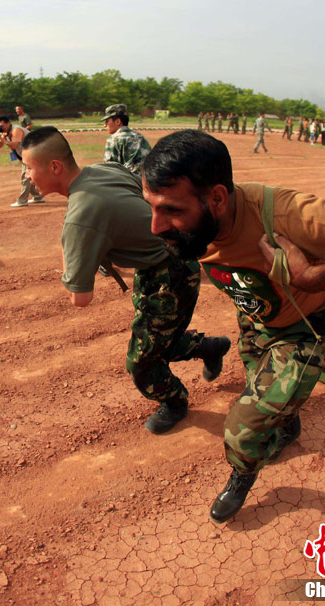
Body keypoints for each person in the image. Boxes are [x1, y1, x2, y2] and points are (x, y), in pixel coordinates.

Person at [141, 130, 325, 522]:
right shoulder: (184, 224)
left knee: (244, 427)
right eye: (150, 207)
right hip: (257, 319)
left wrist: (310, 278)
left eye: (171, 210)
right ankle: (287, 421)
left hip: (304, 327)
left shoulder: (286, 215)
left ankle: (242, 473)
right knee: (267, 389)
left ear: (217, 198)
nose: (156, 226)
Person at [21, 126, 231, 434]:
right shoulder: (102, 170)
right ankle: (210, 347)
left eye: (28, 167)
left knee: (142, 363)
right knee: (157, 340)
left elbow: (80, 299)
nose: (26, 175)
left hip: (170, 272)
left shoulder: (80, 218)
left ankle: (175, 402)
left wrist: (73, 248)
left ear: (54, 167)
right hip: (158, 264)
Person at [0, 115, 45, 207]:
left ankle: (22, 201)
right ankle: (38, 197)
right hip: (28, 154)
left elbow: (14, 145)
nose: (1, 128)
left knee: (25, 177)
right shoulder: (6, 132)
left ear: (8, 123)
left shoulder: (16, 130)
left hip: (35, 152)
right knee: (29, 177)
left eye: (2, 126)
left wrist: (2, 139)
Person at [102, 104, 153, 174]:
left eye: (107, 121)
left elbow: (109, 169)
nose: (105, 125)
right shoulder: (140, 137)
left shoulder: (113, 140)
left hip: (127, 179)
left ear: (117, 121)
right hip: (146, 178)